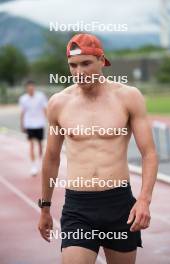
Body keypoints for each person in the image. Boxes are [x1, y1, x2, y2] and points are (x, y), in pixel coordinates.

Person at [38, 34, 158, 264]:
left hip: (119, 204)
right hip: (78, 207)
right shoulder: (58, 103)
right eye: (73, 65)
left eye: (86, 63)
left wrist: (144, 200)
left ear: (102, 60)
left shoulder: (128, 97)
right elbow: (51, 158)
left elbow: (149, 153)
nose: (79, 71)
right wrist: (45, 207)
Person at [19, 80, 47, 176]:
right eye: (29, 87)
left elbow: (45, 109)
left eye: (32, 87)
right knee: (31, 144)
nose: (31, 89)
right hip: (29, 124)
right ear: (26, 89)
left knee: (40, 145)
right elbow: (22, 112)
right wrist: (22, 125)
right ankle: (33, 166)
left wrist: (50, 122)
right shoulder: (23, 99)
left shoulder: (41, 96)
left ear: (34, 87)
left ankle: (40, 163)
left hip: (39, 124)